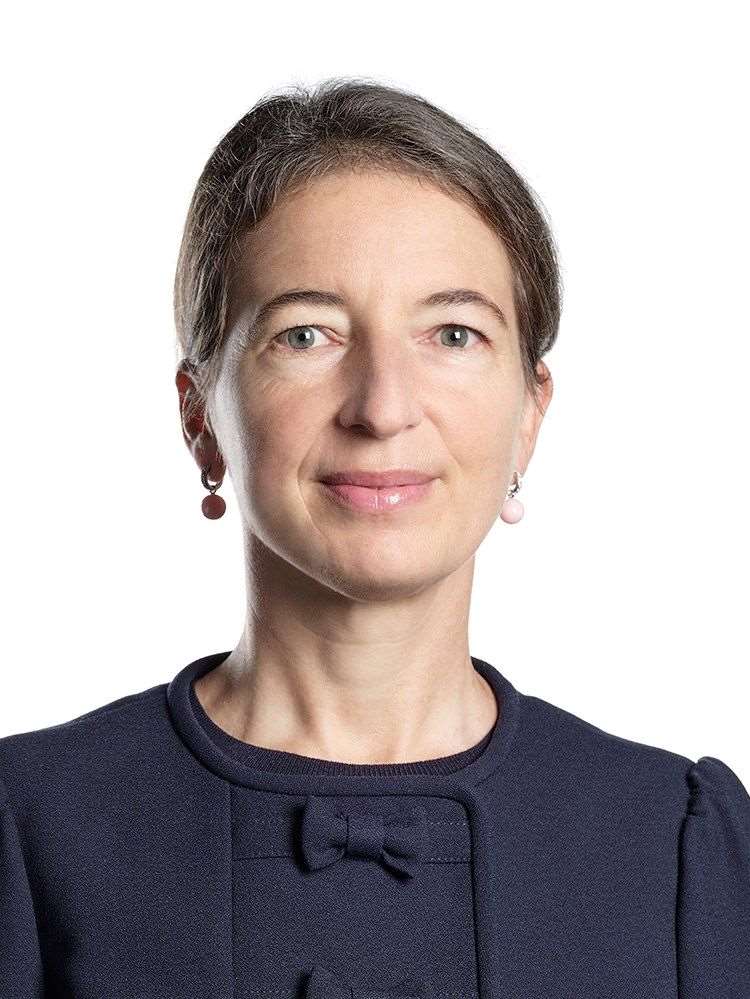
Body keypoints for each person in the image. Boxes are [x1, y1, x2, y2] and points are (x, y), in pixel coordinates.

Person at [1, 77, 748, 999]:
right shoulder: (28, 829)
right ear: (200, 416)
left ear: (529, 413)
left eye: (454, 333)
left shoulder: (677, 842)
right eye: (306, 334)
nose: (384, 406)